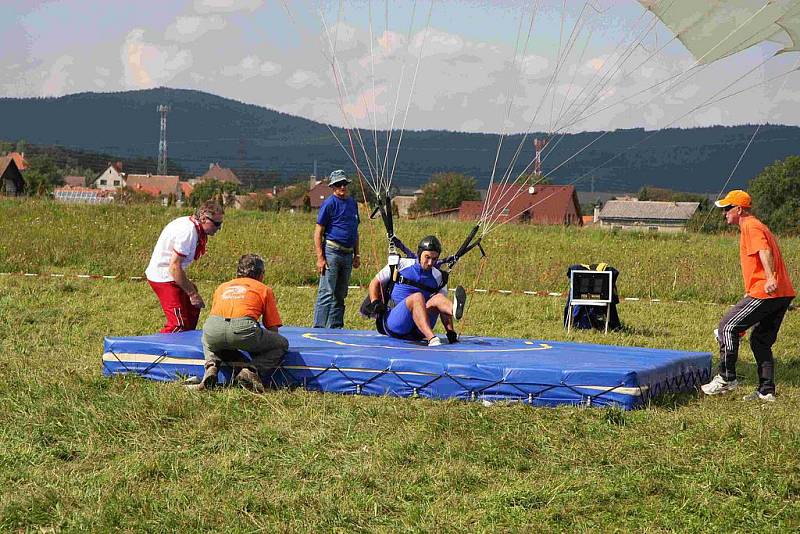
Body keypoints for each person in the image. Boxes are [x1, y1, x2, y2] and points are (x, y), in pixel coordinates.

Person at [701, 190, 795, 401]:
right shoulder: (754, 226)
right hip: (781, 293)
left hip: (768, 291)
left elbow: (764, 251)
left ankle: (726, 377)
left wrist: (770, 278)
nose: (724, 213)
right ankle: (766, 391)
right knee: (760, 341)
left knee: (727, 326)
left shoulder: (750, 226)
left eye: (727, 208)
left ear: (739, 209)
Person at [190, 254, 289, 392]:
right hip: (244, 329)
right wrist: (261, 346)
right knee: (282, 344)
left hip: (214, 327)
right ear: (260, 274)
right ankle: (251, 370)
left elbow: (217, 317)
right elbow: (272, 328)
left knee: (209, 340)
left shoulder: (222, 287)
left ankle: (211, 366)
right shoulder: (263, 289)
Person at [365, 235, 466, 347]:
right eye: (427, 257)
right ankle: (431, 338)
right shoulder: (400, 264)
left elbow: (441, 310)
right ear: (419, 253)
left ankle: (454, 309)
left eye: (434, 259)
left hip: (419, 329)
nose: (430, 262)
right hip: (396, 324)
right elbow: (375, 282)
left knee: (438, 299)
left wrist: (450, 332)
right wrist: (375, 301)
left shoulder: (439, 276)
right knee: (417, 297)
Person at [146, 200, 224, 333]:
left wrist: (191, 291)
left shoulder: (193, 226)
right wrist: (192, 294)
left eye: (221, 224)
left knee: (192, 309)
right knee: (178, 325)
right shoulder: (188, 232)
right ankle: (150, 351)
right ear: (204, 219)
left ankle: (185, 344)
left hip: (170, 274)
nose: (219, 228)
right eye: (216, 224)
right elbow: (174, 267)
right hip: (163, 276)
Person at [313, 169, 361, 328]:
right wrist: (320, 258)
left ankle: (335, 328)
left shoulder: (352, 203)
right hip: (332, 251)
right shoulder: (329, 204)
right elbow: (318, 232)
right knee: (326, 292)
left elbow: (355, 231)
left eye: (344, 184)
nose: (342, 187)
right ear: (333, 187)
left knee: (341, 294)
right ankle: (318, 328)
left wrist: (357, 254)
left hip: (348, 253)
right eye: (339, 185)